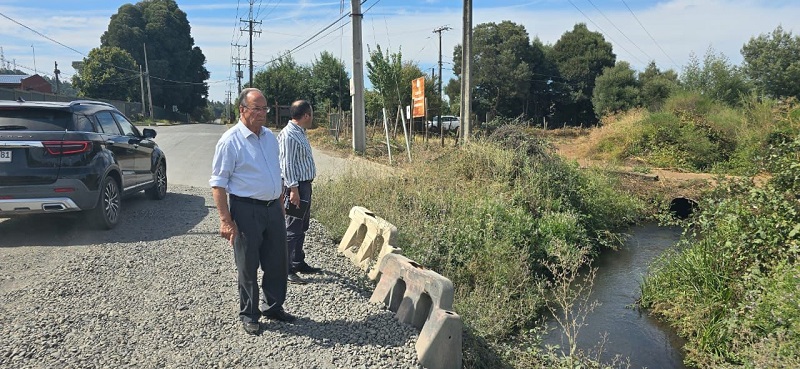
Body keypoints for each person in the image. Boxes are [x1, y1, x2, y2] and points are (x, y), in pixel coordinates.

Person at [210, 88, 296, 335]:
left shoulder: (269, 137)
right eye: (256, 108)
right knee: (247, 265)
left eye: (264, 108)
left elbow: (275, 173)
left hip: (273, 208)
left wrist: (279, 203)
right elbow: (218, 184)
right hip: (246, 210)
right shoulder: (230, 140)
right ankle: (249, 313)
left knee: (278, 262)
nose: (262, 113)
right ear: (242, 110)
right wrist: (226, 221)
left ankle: (273, 307)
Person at [278, 100, 322, 284]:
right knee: (292, 228)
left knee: (302, 225)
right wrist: (293, 189)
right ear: (305, 115)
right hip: (295, 187)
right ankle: (286, 268)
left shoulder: (300, 132)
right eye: (311, 113)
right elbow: (286, 164)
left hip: (304, 186)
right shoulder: (289, 135)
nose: (312, 117)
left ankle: (298, 260)